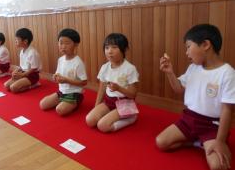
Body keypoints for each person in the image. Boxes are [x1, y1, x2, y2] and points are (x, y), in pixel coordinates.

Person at [156, 24, 235, 170]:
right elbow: (178, 89)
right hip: (188, 119)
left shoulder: (227, 73)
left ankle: (206, 141)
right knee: (161, 142)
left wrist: (220, 141)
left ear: (205, 44)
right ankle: (197, 142)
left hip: (211, 126)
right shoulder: (193, 68)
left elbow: (227, 111)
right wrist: (169, 73)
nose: (186, 53)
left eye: (188, 46)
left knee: (218, 166)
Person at [86, 33, 139, 132]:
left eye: (114, 47)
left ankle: (131, 117)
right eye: (107, 48)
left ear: (125, 50)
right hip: (109, 102)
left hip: (125, 103)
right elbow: (101, 89)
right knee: (90, 120)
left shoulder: (130, 69)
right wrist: (96, 107)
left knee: (103, 126)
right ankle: (115, 114)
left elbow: (133, 94)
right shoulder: (105, 67)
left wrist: (119, 88)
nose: (109, 51)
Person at [39, 28, 87, 116]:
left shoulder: (78, 62)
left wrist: (66, 80)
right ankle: (64, 102)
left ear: (75, 44)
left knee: (60, 110)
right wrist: (55, 76)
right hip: (61, 92)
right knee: (43, 104)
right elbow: (58, 74)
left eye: (67, 43)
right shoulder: (60, 60)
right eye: (61, 43)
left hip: (74, 93)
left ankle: (77, 101)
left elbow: (84, 82)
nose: (63, 46)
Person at [4, 28, 41, 93]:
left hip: (32, 75)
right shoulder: (22, 51)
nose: (15, 41)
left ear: (25, 41)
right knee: (6, 85)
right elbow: (21, 66)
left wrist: (22, 75)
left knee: (13, 88)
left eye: (17, 39)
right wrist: (15, 71)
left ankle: (34, 84)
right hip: (23, 73)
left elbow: (34, 69)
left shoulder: (32, 52)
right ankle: (23, 81)